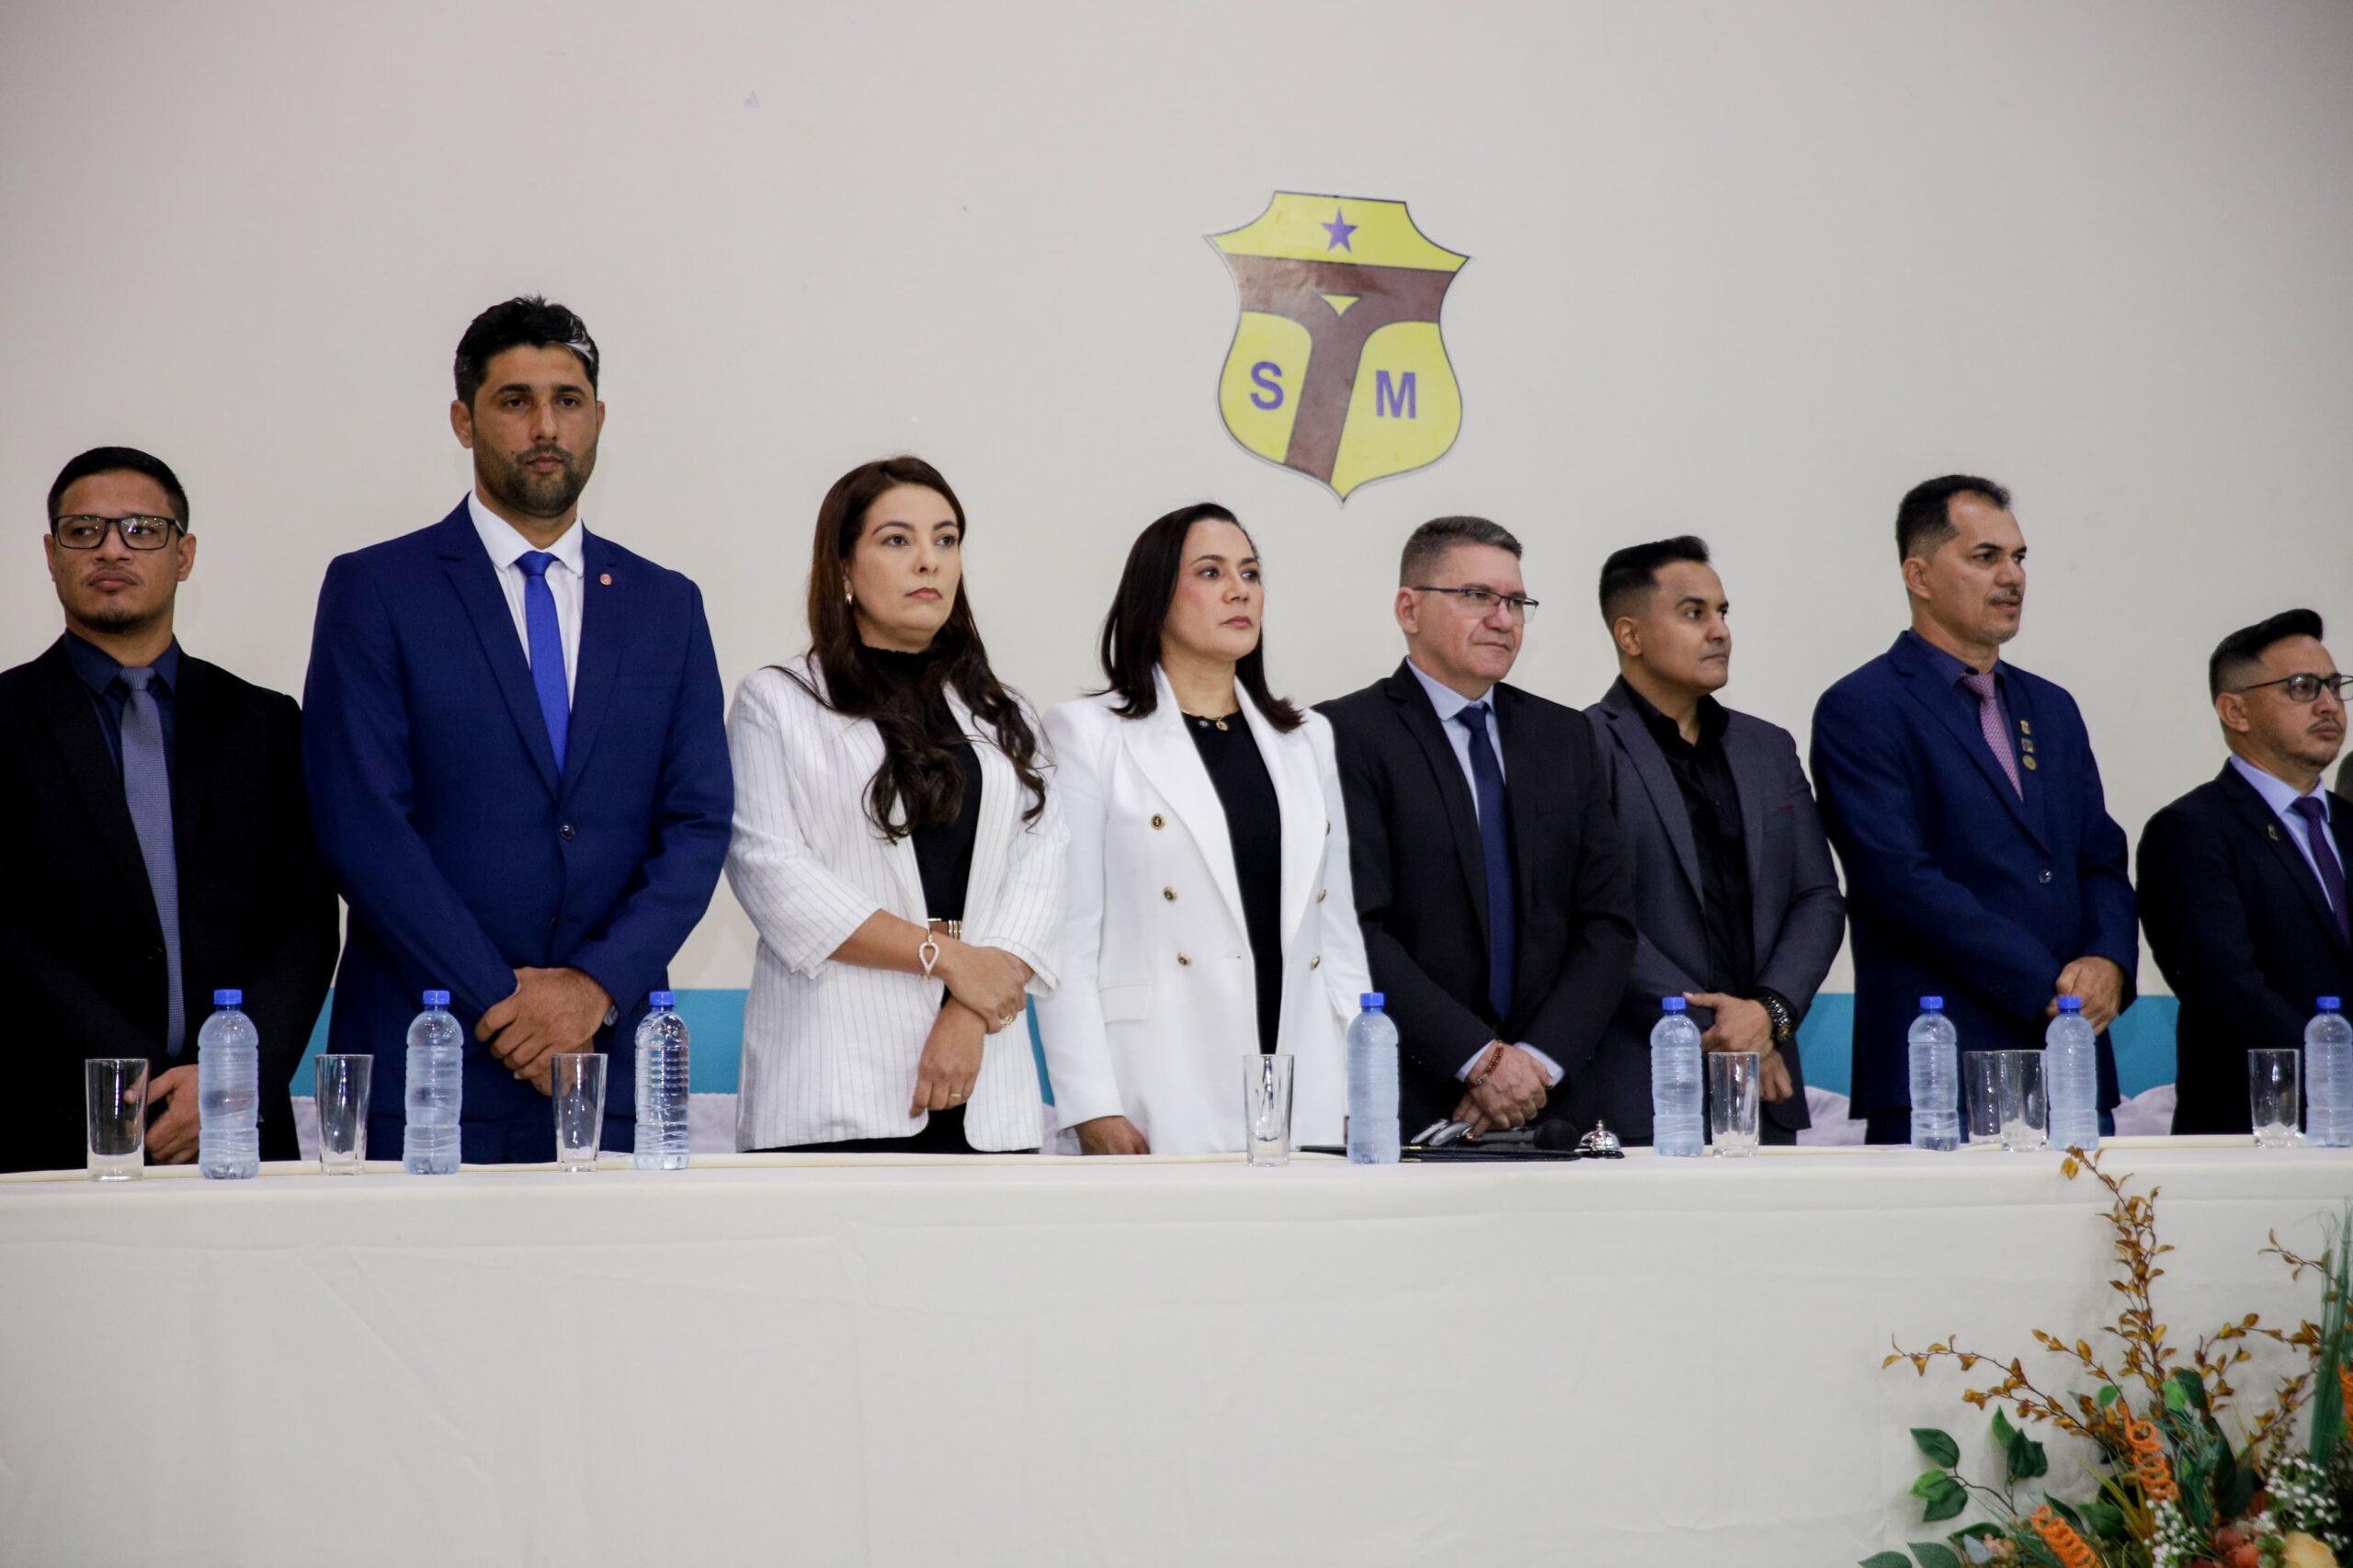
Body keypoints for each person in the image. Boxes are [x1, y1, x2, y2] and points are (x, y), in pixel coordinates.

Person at [302, 297, 732, 1164]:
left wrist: (593, 989)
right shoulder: (378, 589)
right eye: (514, 401)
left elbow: (697, 824)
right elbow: (364, 828)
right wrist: (511, 1006)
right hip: (429, 1063)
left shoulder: (666, 605)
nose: (545, 427)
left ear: (598, 417)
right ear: (463, 421)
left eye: (567, 401)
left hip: (610, 1066)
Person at [0, 447, 338, 1174]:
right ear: (52, 556)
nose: (112, 549)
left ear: (184, 555)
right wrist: (137, 1087)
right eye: (84, 530)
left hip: (238, 1127)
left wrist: (232, 1078)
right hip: (49, 1130)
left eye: (142, 530)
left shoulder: (265, 724)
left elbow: (306, 925)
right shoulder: (6, 718)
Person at [725, 458, 1065, 1153]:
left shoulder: (1004, 713)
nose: (928, 561)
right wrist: (946, 958)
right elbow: (771, 872)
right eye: (896, 540)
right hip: (835, 1083)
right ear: (843, 567)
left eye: (946, 540)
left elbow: (1043, 868)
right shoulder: (777, 702)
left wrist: (969, 1005)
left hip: (988, 1086)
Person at [1036, 504, 1371, 1154]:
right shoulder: (1088, 733)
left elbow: (1337, 936)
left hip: (1304, 1070)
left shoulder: (1307, 739)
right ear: (1155, 596)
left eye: (1251, 573)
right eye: (1211, 572)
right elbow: (1067, 939)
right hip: (1160, 1073)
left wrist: (1362, 1088)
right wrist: (1092, 1105)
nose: (1240, 590)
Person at [1812, 475, 2137, 1144]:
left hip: (2071, 1060)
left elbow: (2100, 856)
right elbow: (1898, 880)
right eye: (1985, 557)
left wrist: (2108, 962)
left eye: (2018, 558)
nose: (2012, 577)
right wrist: (2049, 986)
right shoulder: (1863, 706)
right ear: (1919, 576)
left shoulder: (2052, 707)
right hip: (1942, 1068)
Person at [1318, 517, 1633, 1142]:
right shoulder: (1341, 735)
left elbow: (1608, 922)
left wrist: (1534, 1064)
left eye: (1515, 601)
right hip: (1411, 1094)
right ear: (1409, 609)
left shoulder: (1566, 737)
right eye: (1476, 596)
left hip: (1550, 1104)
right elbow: (1356, 927)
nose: (1502, 618)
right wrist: (1479, 1060)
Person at [1586, 537, 1844, 1144]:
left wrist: (1767, 1014)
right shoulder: (1582, 748)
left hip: (1766, 1091)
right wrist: (1728, 1030)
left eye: (1722, 612)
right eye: (1693, 613)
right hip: (1642, 1089)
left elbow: (1817, 899)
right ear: (1630, 635)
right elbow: (1597, 920)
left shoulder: (1768, 748)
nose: (1719, 631)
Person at [2138, 609, 2348, 1134]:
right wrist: (2339, 1076)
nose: (2328, 704)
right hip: (2254, 1131)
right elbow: (2228, 990)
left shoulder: (2349, 824)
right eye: (2302, 687)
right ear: (2236, 711)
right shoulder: (2190, 830)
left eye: (2334, 686)